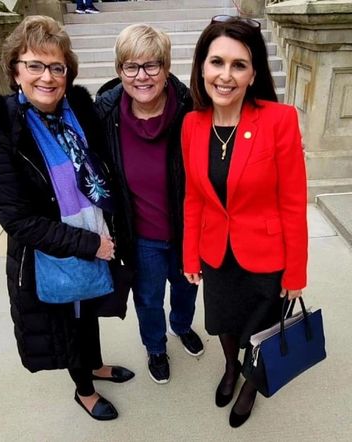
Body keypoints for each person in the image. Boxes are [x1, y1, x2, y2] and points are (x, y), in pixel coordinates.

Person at [0, 15, 134, 422]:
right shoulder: (3, 132)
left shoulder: (78, 111)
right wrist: (87, 244)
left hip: (96, 235)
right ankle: (84, 389)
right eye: (35, 65)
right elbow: (16, 219)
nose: (47, 77)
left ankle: (95, 364)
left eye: (57, 67)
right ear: (15, 70)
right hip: (54, 249)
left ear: (68, 72)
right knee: (67, 320)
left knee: (89, 310)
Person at [182, 16, 308, 427]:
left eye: (239, 65)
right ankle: (231, 369)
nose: (226, 75)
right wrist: (189, 256)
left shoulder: (279, 120)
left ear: (254, 74)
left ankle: (250, 384)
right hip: (216, 251)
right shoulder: (192, 124)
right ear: (202, 67)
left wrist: (297, 270)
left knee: (261, 329)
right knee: (222, 323)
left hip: (266, 254)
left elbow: (293, 201)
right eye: (217, 62)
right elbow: (193, 197)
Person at [94, 23, 204, 384]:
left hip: (187, 231)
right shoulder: (104, 116)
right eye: (131, 66)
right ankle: (156, 347)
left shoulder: (191, 109)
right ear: (119, 70)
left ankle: (182, 326)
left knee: (187, 290)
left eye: (152, 65)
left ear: (167, 67)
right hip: (141, 238)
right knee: (148, 299)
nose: (142, 76)